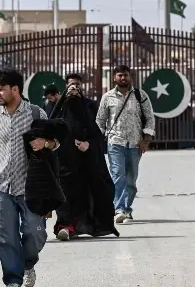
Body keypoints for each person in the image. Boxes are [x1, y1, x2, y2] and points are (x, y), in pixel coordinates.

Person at [0, 69, 60, 287]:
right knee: (4, 236)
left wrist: (45, 144)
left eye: (1, 89)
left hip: (31, 187)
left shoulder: (36, 114)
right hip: (0, 186)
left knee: (34, 234)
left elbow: (56, 142)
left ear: (15, 89)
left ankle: (28, 264)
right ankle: (13, 280)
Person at [50, 80, 119, 241]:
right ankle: (64, 226)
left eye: (76, 90)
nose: (73, 92)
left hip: (86, 162)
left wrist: (88, 145)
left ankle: (80, 226)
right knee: (64, 194)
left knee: (85, 193)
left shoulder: (88, 111)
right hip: (64, 162)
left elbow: (97, 135)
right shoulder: (59, 112)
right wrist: (65, 143)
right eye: (70, 90)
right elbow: (50, 133)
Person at [95, 65, 155, 224]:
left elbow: (150, 118)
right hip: (115, 142)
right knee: (118, 176)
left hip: (135, 144)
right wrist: (96, 139)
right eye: (120, 75)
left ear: (130, 77)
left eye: (126, 75)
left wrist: (146, 140)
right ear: (114, 78)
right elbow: (100, 120)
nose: (123, 78)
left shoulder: (140, 96)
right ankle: (119, 209)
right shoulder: (108, 97)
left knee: (131, 179)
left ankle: (127, 209)